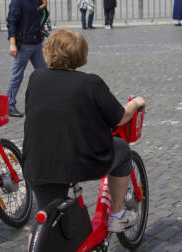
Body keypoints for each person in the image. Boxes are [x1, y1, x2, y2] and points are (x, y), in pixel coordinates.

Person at [22, 29, 146, 233]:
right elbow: (120, 117)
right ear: (81, 56)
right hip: (79, 160)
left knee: (44, 224)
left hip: (37, 162)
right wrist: (135, 103)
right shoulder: (90, 82)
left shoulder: (36, 78)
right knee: (122, 150)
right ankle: (117, 215)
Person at [6, 0, 46, 117]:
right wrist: (12, 44)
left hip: (36, 43)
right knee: (17, 75)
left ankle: (45, 101)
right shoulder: (18, 0)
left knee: (44, 73)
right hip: (23, 44)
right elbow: (11, 23)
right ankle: (9, 104)